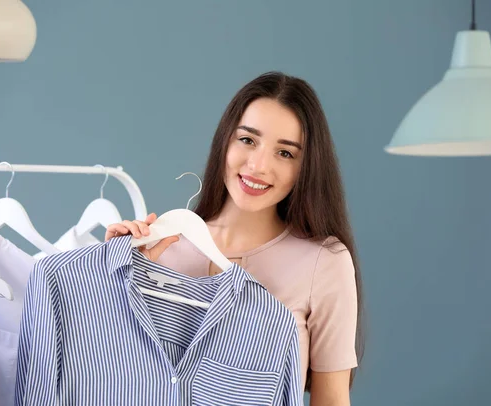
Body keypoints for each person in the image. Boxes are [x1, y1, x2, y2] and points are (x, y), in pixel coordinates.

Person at [105, 71, 363, 405]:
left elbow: (331, 400)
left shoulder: (324, 262)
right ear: (225, 140)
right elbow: (113, 376)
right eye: (248, 140)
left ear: (306, 167)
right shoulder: (160, 247)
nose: (257, 165)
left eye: (285, 153)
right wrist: (111, 273)